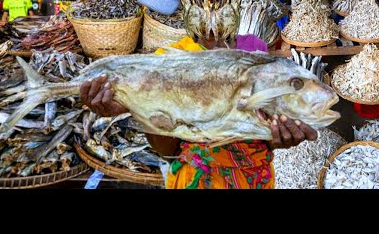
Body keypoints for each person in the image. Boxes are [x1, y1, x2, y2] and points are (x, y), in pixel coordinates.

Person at [80, 33, 318, 189]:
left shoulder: (254, 51)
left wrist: (279, 138)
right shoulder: (169, 60)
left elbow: (260, 133)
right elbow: (168, 151)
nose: (212, 5)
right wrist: (138, 108)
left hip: (253, 179)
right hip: (193, 181)